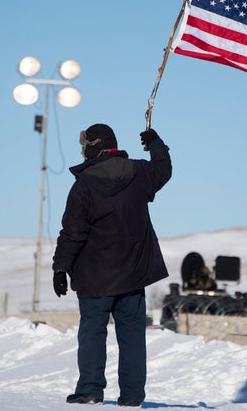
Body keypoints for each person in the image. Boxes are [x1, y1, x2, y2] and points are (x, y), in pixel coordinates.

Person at [52, 124, 172, 407]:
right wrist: (156, 143)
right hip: (132, 275)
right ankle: (131, 397)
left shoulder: (84, 186)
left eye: (83, 147)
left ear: (92, 147)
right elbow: (163, 170)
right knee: (131, 335)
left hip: (95, 277)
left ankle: (90, 390)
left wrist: (60, 268)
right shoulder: (139, 173)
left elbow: (72, 232)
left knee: (93, 331)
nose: (81, 153)